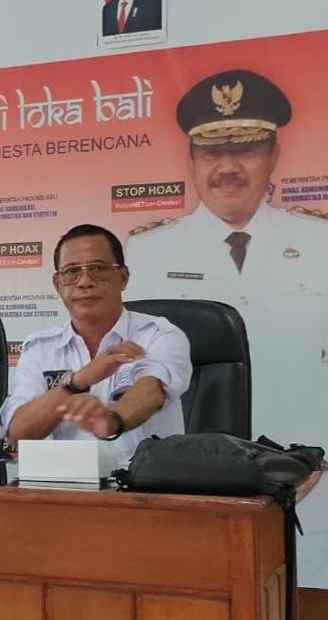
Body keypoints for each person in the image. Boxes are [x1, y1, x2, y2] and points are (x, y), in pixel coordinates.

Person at [123, 69, 328, 587]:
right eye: (213, 152)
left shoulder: (321, 245)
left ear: (274, 155)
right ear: (191, 160)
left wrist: (318, 463)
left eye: (248, 149)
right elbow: (129, 380)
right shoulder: (144, 255)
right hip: (187, 487)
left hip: (313, 488)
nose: (229, 167)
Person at [0, 224, 191, 468]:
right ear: (57, 283)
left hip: (145, 483)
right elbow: (19, 432)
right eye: (71, 272)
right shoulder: (40, 348)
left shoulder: (159, 334)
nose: (85, 282)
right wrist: (76, 383)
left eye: (98, 269)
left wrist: (111, 420)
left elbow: (151, 390)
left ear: (123, 277)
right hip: (66, 483)